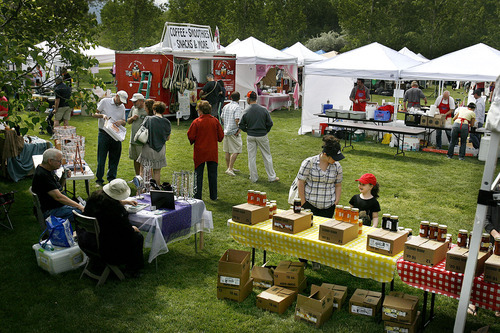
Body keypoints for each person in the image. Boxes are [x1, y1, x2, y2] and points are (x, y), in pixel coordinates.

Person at [77, 179, 144, 277]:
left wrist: (123, 202)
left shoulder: (94, 199)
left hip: (85, 241)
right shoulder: (115, 211)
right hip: (106, 249)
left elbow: (105, 205)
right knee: (137, 236)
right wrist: (132, 228)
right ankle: (133, 269)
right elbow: (125, 231)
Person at [297, 135, 344, 218]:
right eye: (334, 158)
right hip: (309, 205)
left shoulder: (337, 166)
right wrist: (303, 202)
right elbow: (301, 182)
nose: (336, 160)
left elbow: (338, 185)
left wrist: (336, 202)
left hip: (329, 208)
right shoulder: (309, 162)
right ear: (325, 154)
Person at [31, 148, 84, 222]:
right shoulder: (43, 175)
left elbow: (58, 187)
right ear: (50, 161)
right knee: (83, 212)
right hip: (50, 211)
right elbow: (58, 197)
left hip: (55, 206)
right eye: (59, 161)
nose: (61, 163)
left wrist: (64, 177)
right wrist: (79, 206)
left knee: (85, 207)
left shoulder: (47, 169)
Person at [239, 91, 279, 183]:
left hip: (251, 135)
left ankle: (253, 178)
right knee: (267, 156)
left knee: (251, 157)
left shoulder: (245, 110)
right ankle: (272, 177)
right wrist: (265, 131)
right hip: (262, 135)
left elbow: (241, 125)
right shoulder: (263, 109)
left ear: (248, 99)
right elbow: (270, 123)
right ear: (256, 98)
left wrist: (247, 130)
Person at [187, 100, 224, 200]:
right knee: (213, 175)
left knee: (198, 175)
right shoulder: (215, 121)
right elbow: (221, 136)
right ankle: (213, 196)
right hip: (212, 151)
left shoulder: (196, 122)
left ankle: (197, 196)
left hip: (200, 151)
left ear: (200, 111)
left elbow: (190, 136)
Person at [92, 90, 128, 187]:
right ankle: (99, 179)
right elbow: (94, 114)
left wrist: (121, 122)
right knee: (101, 158)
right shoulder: (105, 101)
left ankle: (111, 178)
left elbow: (124, 121)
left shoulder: (122, 107)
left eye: (122, 102)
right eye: (120, 100)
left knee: (114, 158)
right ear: (116, 96)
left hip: (116, 135)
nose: (121, 103)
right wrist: (102, 116)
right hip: (104, 133)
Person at [137, 101, 171, 186]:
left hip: (148, 148)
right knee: (157, 172)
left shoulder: (148, 119)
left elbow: (141, 132)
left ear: (154, 110)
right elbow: (167, 138)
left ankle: (144, 191)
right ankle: (155, 191)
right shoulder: (167, 122)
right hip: (160, 150)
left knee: (144, 171)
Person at [221, 92, 243, 176]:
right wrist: (239, 128)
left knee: (227, 150)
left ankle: (229, 167)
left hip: (226, 130)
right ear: (239, 98)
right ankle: (230, 168)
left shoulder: (226, 106)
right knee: (237, 149)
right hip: (233, 131)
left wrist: (226, 125)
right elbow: (237, 119)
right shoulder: (237, 107)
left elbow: (222, 118)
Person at [127, 93, 148, 176]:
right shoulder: (133, 108)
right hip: (133, 139)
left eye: (135, 102)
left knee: (143, 161)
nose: (133, 104)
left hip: (142, 140)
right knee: (135, 159)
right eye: (133, 102)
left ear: (141, 101)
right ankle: (137, 177)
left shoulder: (146, 110)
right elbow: (128, 121)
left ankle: (144, 177)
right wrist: (132, 118)